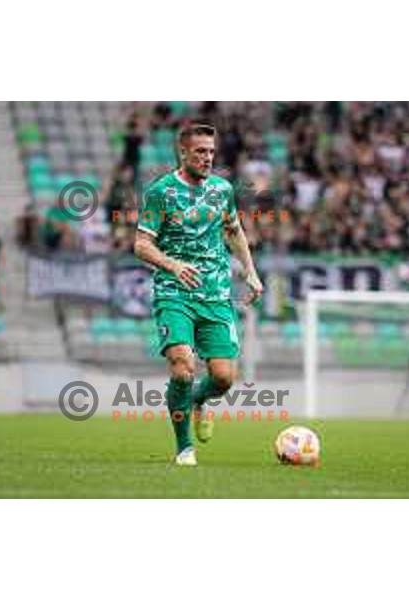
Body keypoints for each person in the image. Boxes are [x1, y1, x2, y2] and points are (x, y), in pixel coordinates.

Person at [134, 122, 263, 466]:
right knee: (182, 366)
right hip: (174, 292)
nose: (207, 158)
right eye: (200, 152)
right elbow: (141, 244)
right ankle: (183, 448)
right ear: (183, 152)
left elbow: (234, 231)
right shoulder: (161, 192)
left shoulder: (222, 190)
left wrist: (249, 271)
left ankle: (195, 400)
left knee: (223, 377)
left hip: (215, 295)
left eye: (211, 152)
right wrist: (172, 265)